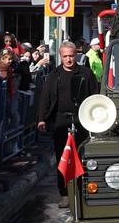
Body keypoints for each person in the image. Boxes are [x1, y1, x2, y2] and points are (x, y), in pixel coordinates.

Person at [35, 41, 99, 203]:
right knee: (63, 158)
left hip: (81, 119)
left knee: (83, 156)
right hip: (60, 120)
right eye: (65, 56)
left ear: (75, 55)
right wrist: (41, 119)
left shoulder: (86, 73)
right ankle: (64, 193)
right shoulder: (53, 76)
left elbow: (95, 96)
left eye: (71, 56)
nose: (69, 59)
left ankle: (84, 190)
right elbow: (45, 99)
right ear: (61, 56)